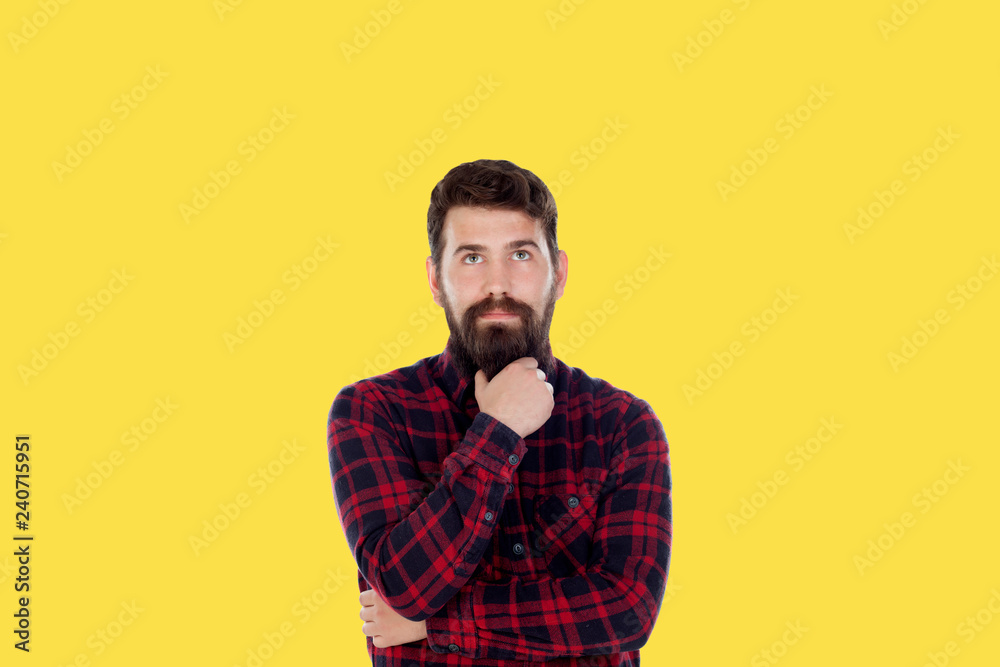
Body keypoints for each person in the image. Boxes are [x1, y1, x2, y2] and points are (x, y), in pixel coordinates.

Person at [327, 159, 672, 666]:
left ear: (559, 273)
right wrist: (499, 431)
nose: (497, 284)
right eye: (471, 258)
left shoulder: (623, 424)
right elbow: (405, 585)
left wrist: (436, 625)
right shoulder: (373, 412)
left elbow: (626, 611)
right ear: (434, 279)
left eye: (520, 254)